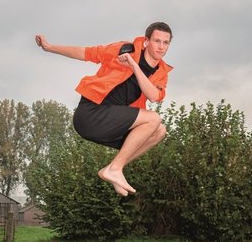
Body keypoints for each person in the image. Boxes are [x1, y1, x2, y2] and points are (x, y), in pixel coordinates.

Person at [35, 22, 173, 196]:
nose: (161, 47)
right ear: (146, 41)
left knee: (159, 131)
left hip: (110, 124)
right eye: (157, 41)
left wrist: (134, 66)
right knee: (154, 118)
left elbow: (153, 95)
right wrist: (50, 47)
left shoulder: (161, 73)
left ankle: (114, 169)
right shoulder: (125, 49)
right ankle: (115, 169)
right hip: (91, 113)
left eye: (165, 43)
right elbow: (86, 53)